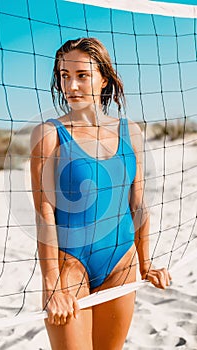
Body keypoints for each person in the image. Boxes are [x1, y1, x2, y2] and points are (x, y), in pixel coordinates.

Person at [30, 37, 172, 350]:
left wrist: (146, 263)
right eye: (64, 76)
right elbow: (44, 212)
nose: (72, 86)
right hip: (71, 266)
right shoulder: (49, 134)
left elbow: (138, 204)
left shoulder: (129, 131)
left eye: (82, 75)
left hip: (121, 262)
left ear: (103, 78)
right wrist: (51, 283)